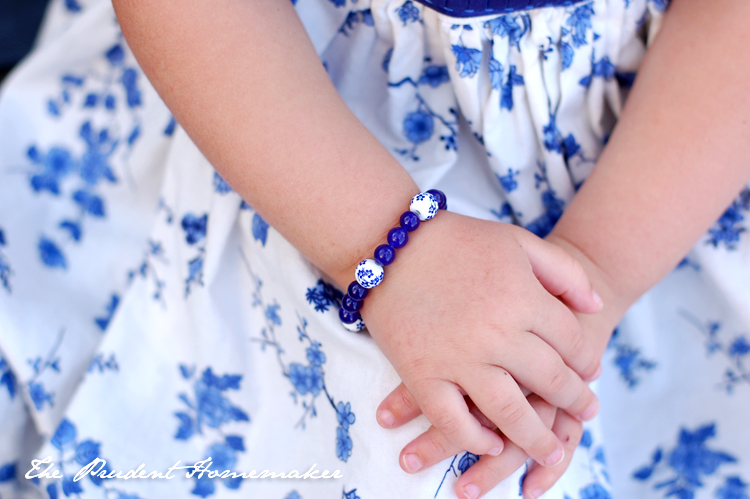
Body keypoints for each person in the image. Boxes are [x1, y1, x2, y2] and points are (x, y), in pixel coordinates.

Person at [0, 1, 748, 499]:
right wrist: (392, 249)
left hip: (664, 157)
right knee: (401, 427)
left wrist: (596, 275)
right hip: (294, 127)